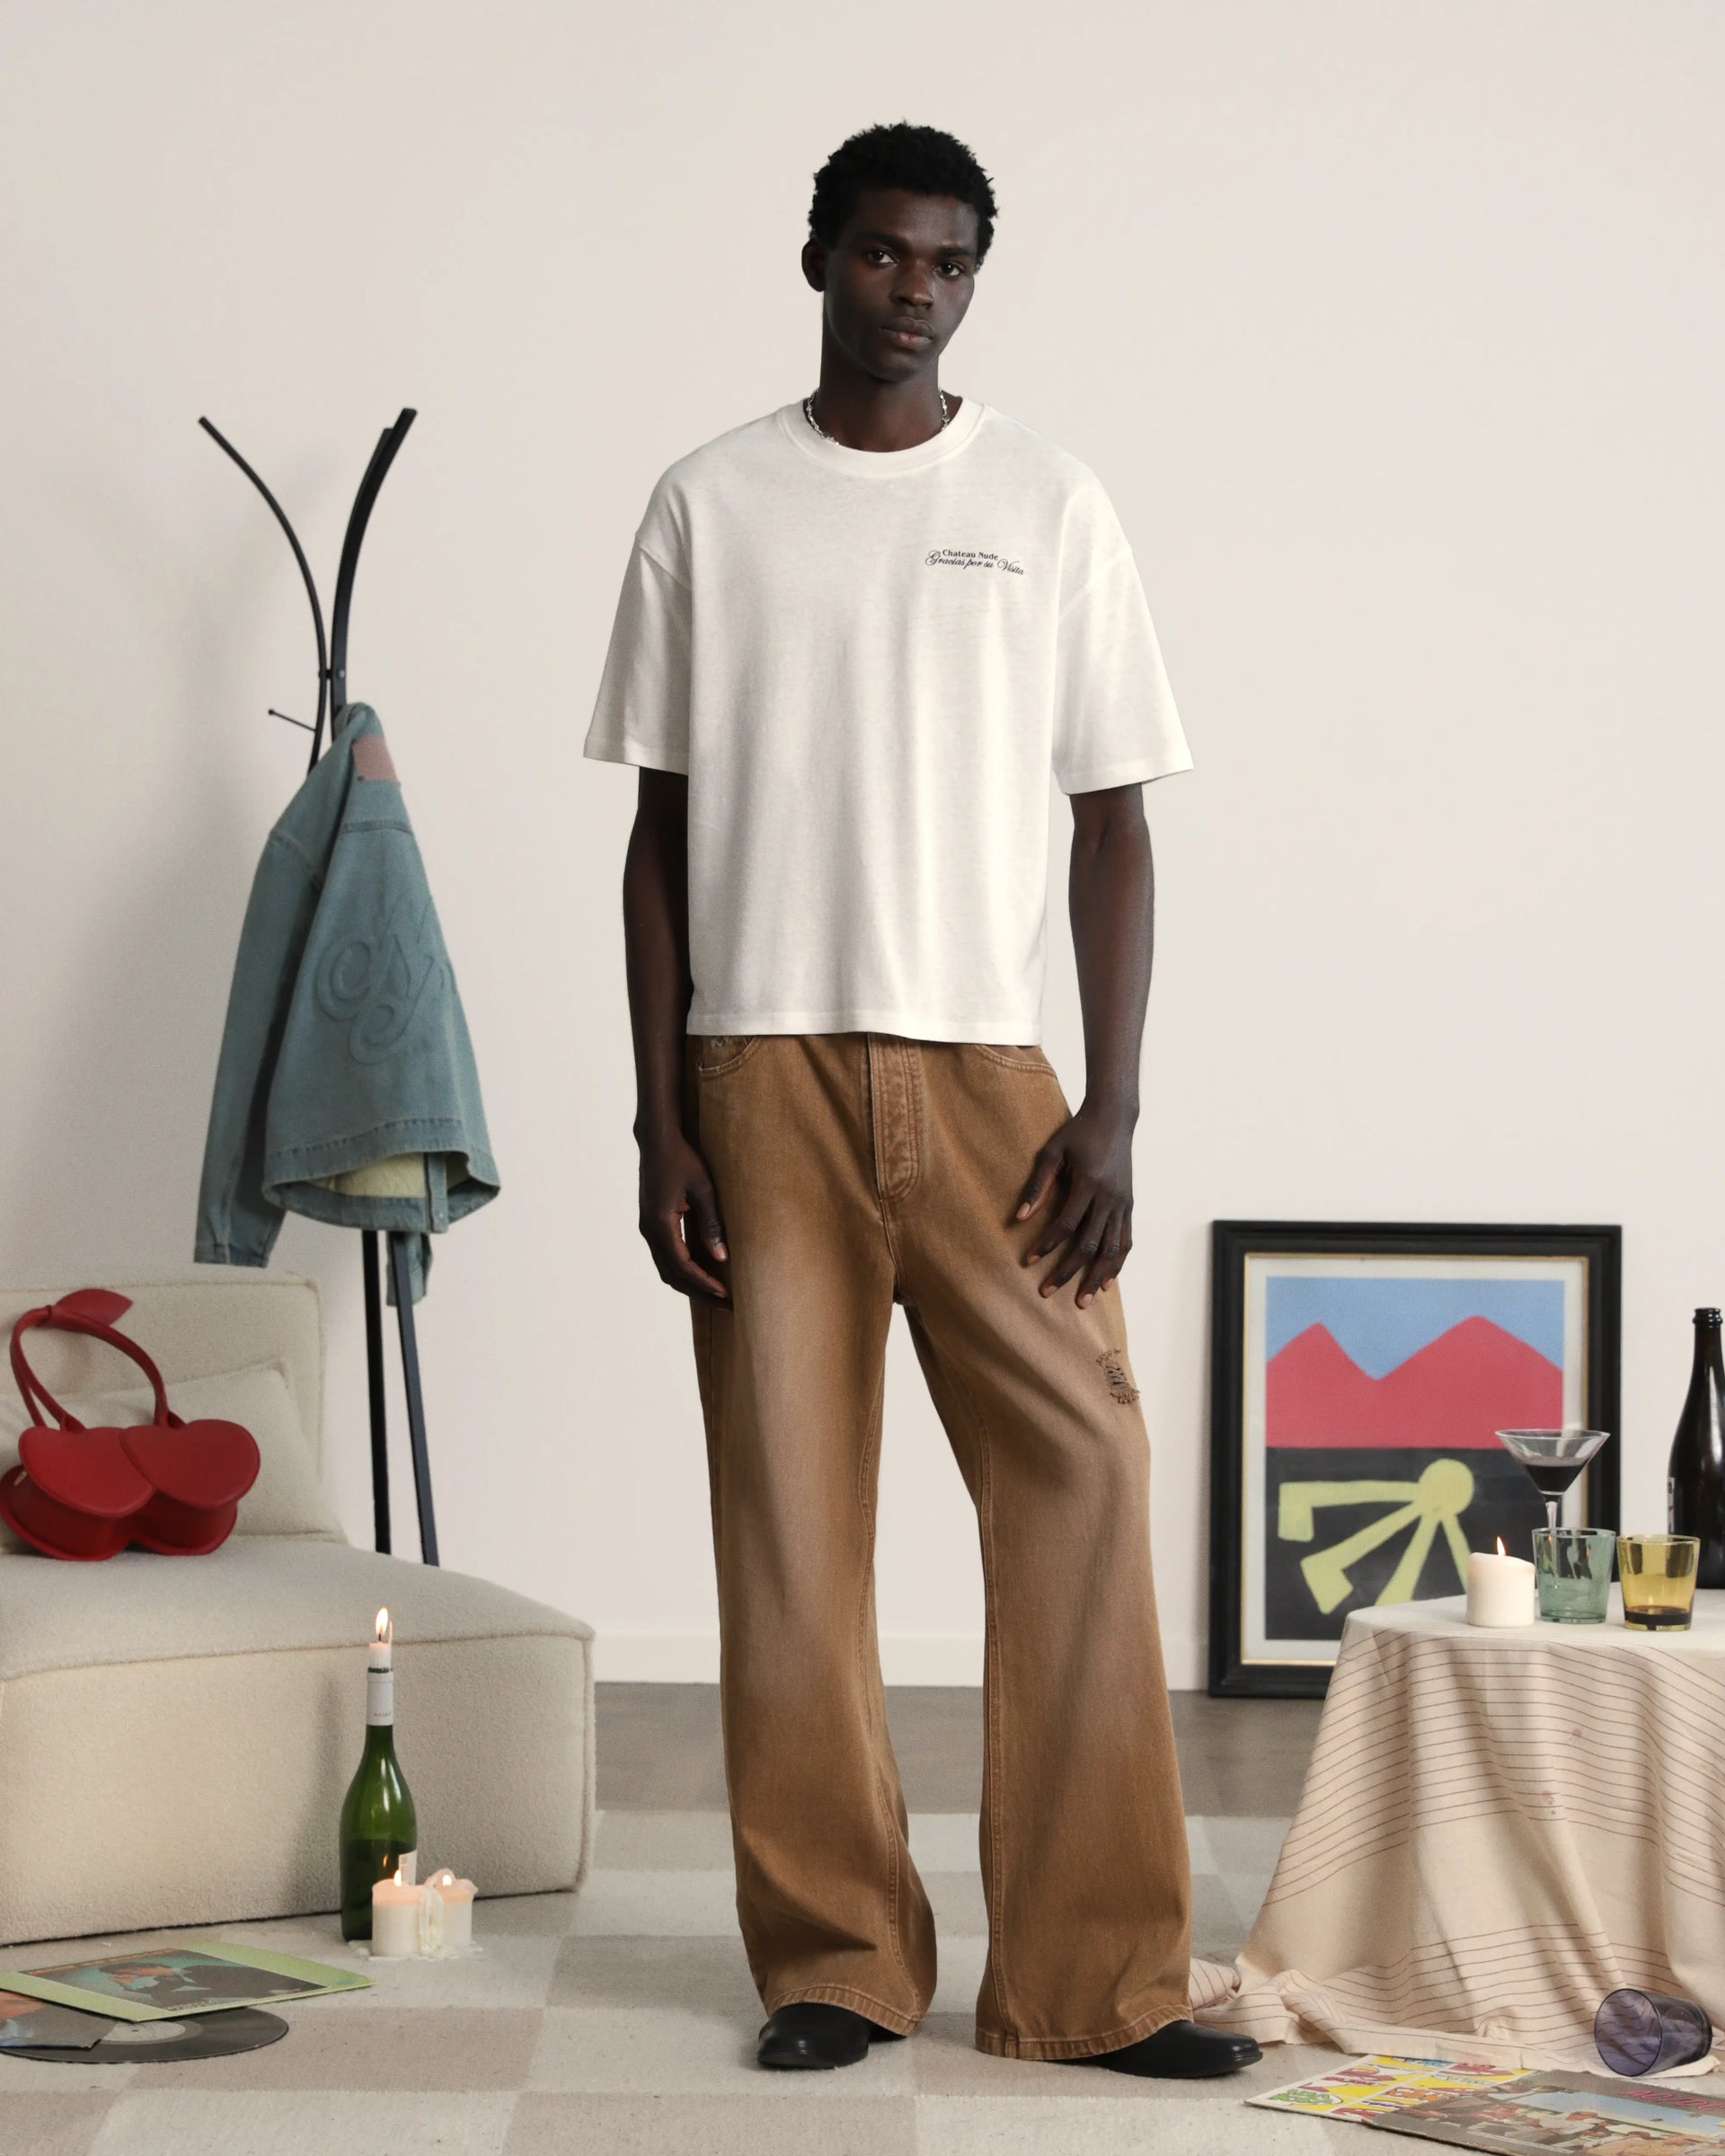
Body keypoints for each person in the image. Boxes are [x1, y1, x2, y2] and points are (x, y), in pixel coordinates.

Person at [584, 120, 1259, 2081]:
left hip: (990, 1082)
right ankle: (837, 1959)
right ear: (821, 258)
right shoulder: (710, 503)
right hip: (759, 1069)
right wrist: (659, 1115)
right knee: (791, 1527)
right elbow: (658, 835)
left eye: (950, 264)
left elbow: (1115, 823)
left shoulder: (1048, 500)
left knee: (1086, 1472)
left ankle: (1097, 1981)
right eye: (884, 254)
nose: (917, 291)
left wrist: (1114, 1105)